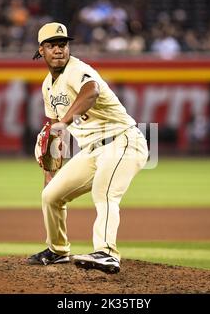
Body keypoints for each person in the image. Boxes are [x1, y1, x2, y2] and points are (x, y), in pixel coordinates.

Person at [27, 22, 149, 274]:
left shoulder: (77, 70)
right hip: (92, 151)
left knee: (104, 194)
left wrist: (63, 123)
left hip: (122, 140)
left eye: (63, 44)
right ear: (41, 50)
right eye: (52, 45)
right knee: (51, 196)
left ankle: (106, 253)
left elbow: (91, 91)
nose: (59, 50)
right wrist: (49, 172)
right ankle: (58, 250)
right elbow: (53, 132)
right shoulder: (47, 86)